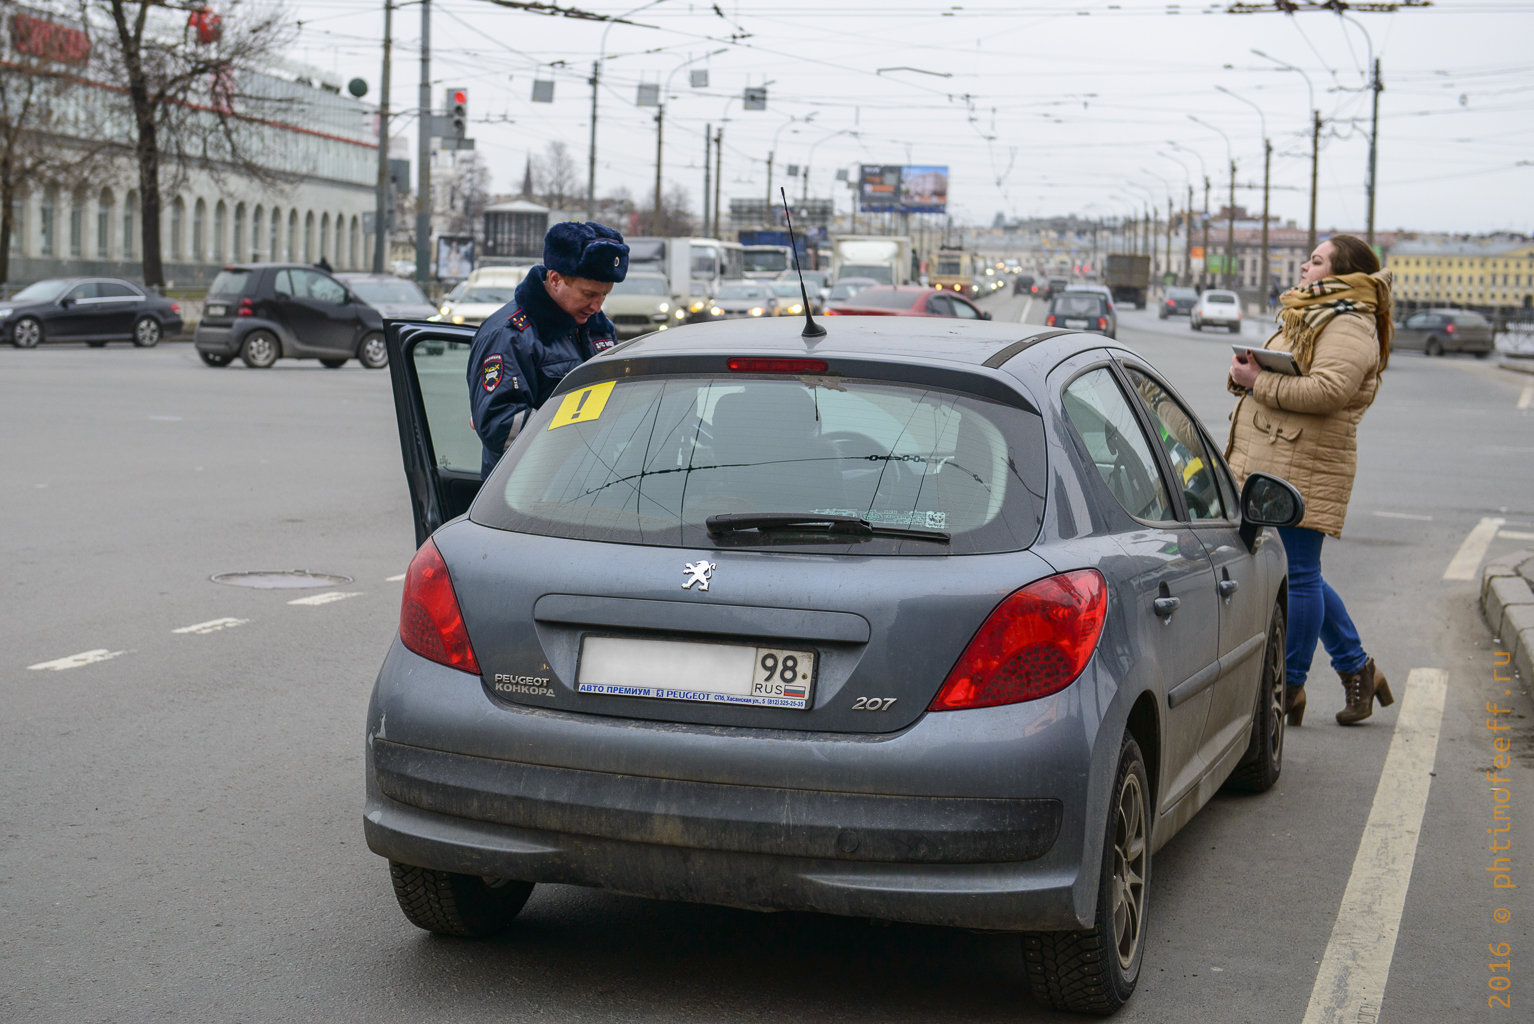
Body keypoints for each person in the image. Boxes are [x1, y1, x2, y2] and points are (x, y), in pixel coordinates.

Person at [1225, 234, 1393, 726]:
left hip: (1305, 465)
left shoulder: (1349, 323)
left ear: (1342, 276)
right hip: (1280, 457)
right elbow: (1283, 374)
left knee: (1298, 576)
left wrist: (1260, 383)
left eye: (1316, 260)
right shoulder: (1312, 311)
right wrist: (1244, 374)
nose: (1304, 266)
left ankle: (1289, 685)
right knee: (1304, 574)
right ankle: (1357, 669)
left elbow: (1328, 390)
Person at [467, 221, 626, 478]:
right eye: (588, 294)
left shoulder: (599, 328)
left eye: (604, 296)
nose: (597, 306)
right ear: (555, 280)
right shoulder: (509, 335)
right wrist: (581, 443)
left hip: (590, 481)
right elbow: (501, 425)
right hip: (527, 489)